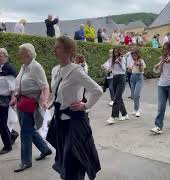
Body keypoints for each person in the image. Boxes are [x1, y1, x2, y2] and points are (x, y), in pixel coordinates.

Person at [46, 35, 102, 180]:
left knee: (74, 160)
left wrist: (86, 105)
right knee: (65, 160)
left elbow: (97, 90)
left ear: (68, 50)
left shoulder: (76, 70)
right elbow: (56, 93)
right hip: (60, 122)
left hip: (75, 122)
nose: (54, 50)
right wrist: (49, 108)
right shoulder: (55, 70)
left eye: (58, 47)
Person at [14, 43, 52, 172]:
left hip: (30, 103)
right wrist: (15, 96)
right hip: (21, 101)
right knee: (29, 130)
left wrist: (45, 100)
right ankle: (45, 149)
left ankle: (26, 161)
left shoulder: (36, 67)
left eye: (21, 53)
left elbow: (45, 86)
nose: (19, 55)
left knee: (25, 132)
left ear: (29, 54)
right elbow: (19, 82)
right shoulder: (24, 66)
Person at [150, 41, 170, 134]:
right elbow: (156, 71)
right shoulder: (163, 58)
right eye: (164, 48)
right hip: (162, 85)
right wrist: (157, 66)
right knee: (161, 107)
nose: (165, 50)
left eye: (167, 48)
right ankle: (158, 126)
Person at [106, 47, 129, 125]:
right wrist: (109, 67)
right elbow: (110, 69)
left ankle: (113, 117)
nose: (115, 53)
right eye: (114, 52)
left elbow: (124, 70)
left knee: (116, 98)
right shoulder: (112, 59)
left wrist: (119, 62)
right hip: (114, 78)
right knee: (119, 98)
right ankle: (125, 114)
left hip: (121, 78)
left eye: (117, 52)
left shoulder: (122, 59)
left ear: (119, 52)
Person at [127, 48, 146, 117]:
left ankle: (137, 110)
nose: (133, 57)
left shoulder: (141, 61)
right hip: (132, 78)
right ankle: (135, 109)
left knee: (136, 95)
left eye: (135, 55)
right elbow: (129, 70)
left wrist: (140, 65)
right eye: (132, 55)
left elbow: (141, 71)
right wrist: (129, 68)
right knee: (133, 96)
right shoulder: (131, 61)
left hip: (139, 78)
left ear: (138, 55)